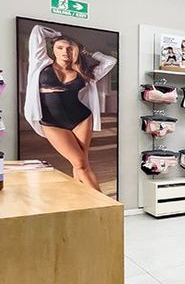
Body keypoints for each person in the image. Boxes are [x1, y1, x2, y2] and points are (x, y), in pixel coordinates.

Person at [24, 25, 116, 190]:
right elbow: (38, 30)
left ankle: (83, 197)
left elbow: (110, 61)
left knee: (81, 163)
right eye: (60, 47)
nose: (64, 52)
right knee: (80, 163)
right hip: (52, 123)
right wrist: (59, 34)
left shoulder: (84, 72)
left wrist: (88, 53)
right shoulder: (41, 63)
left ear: (75, 51)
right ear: (53, 49)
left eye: (69, 48)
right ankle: (102, 202)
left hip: (81, 119)